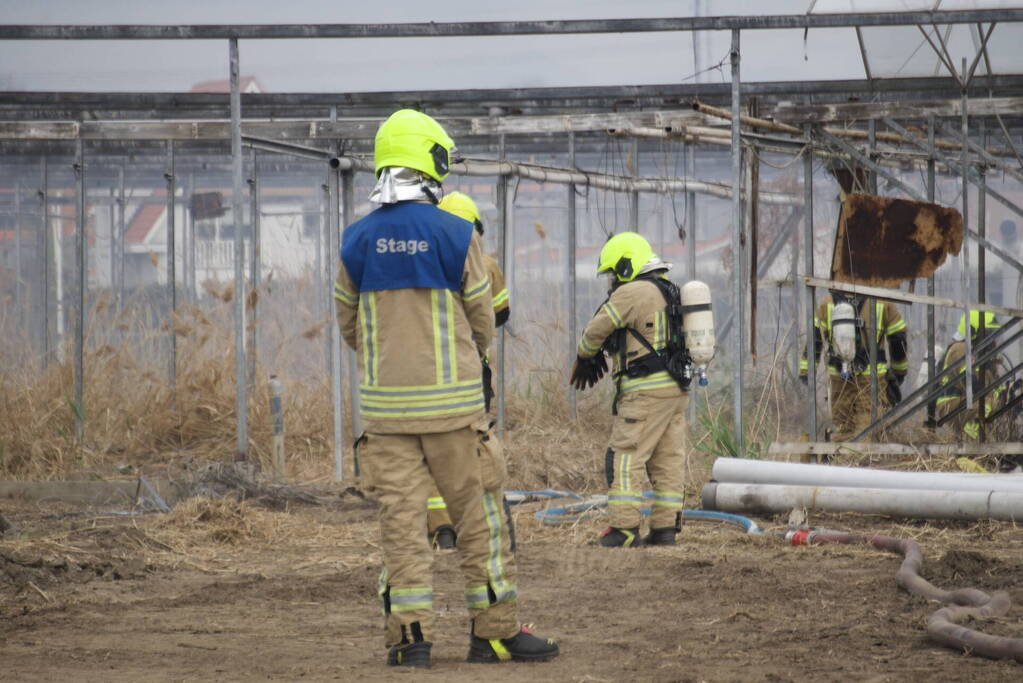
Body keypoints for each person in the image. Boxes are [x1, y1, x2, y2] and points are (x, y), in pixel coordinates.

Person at [334, 109, 558, 668]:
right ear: (427, 159)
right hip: (457, 416)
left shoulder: (356, 240)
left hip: (386, 419)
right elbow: (483, 321)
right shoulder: (457, 234)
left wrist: (392, 364)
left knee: (403, 531)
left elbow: (347, 326)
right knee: (480, 524)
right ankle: (495, 636)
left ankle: (410, 643)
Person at [571, 232, 688, 548]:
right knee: (667, 459)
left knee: (624, 456)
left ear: (625, 265)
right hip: (675, 389)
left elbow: (596, 328)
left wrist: (585, 355)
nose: (612, 281)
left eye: (613, 272)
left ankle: (623, 529)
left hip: (644, 390)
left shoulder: (633, 291)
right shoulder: (670, 289)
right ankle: (665, 528)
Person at [424, 191, 510, 550]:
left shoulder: (425, 260)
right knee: (474, 446)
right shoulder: (485, 263)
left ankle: (442, 527)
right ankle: (479, 523)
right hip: (471, 371)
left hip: (428, 371)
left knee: (431, 451)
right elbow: (500, 314)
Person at [800, 291, 909, 440]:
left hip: (839, 376)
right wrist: (899, 372)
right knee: (868, 425)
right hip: (871, 379)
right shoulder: (883, 302)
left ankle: (841, 458)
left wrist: (806, 371)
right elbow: (898, 340)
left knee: (842, 425)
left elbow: (815, 340)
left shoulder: (827, 303)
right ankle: (860, 458)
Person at [936, 311, 1015, 448]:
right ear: (974, 331)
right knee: (990, 405)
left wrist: (1009, 392)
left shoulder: (979, 354)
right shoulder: (960, 349)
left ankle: (989, 442)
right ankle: (974, 443)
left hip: (967, 402)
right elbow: (971, 384)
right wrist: (1000, 397)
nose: (993, 341)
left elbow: (994, 387)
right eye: (989, 335)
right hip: (952, 405)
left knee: (1001, 404)